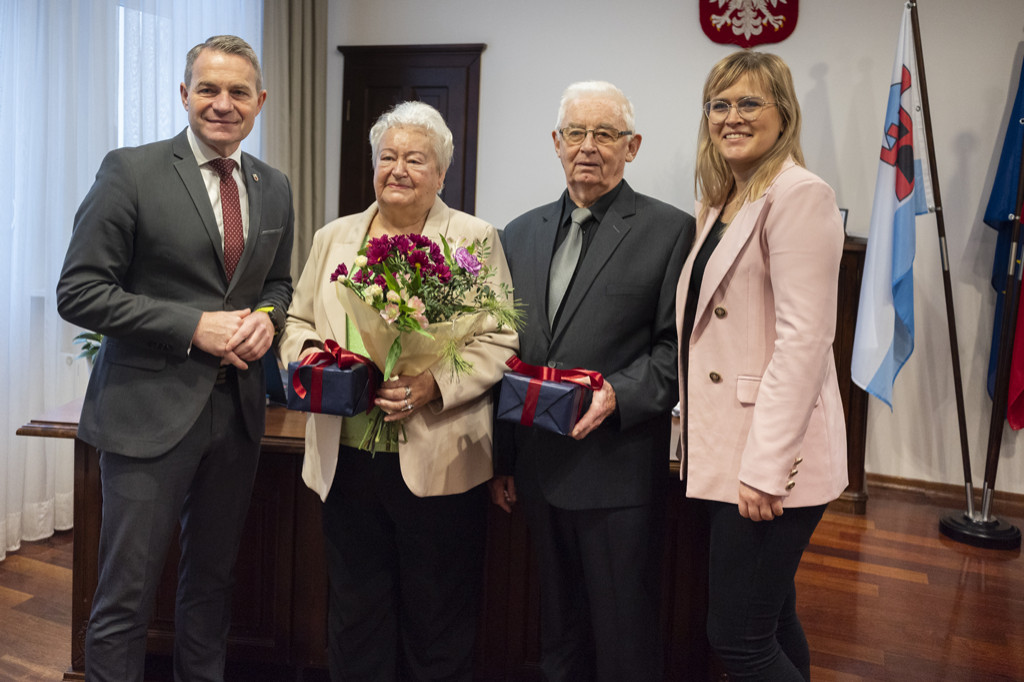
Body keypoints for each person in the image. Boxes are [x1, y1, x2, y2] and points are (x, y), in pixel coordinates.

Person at [56, 35, 294, 681]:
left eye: (238, 92)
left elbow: (278, 284)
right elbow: (79, 292)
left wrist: (266, 322)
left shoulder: (273, 186)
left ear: (260, 101)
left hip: (236, 412)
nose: (223, 104)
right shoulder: (130, 170)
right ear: (184, 94)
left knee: (213, 585)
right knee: (126, 596)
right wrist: (194, 326)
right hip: (146, 412)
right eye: (209, 89)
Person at [278, 101, 518, 682]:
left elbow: (501, 337)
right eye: (388, 157)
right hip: (347, 456)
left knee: (437, 618)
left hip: (439, 456)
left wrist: (435, 383)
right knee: (356, 613)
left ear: (441, 173)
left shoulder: (474, 240)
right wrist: (317, 363)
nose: (399, 170)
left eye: (416, 159)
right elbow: (297, 322)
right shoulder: (334, 237)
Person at [491, 81, 695, 681]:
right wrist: (503, 459)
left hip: (616, 472)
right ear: (556, 143)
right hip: (536, 469)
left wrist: (617, 395)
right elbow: (506, 353)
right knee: (557, 633)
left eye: (604, 134)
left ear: (631, 147)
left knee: (623, 637)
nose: (588, 147)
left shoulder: (669, 230)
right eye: (575, 133)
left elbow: (674, 351)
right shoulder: (519, 232)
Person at [678, 51, 848, 681]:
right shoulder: (724, 197)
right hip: (728, 444)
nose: (731, 117)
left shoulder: (800, 194)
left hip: (770, 459)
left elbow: (804, 342)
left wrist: (767, 467)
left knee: (738, 637)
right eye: (719, 104)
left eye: (749, 103)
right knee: (770, 620)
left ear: (783, 112)